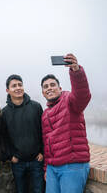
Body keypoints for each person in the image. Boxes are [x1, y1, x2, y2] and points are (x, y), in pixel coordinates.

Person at [41, 53, 91, 193]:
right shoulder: (45, 114)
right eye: (46, 87)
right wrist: (46, 168)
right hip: (52, 169)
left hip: (72, 166)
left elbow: (83, 95)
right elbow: (47, 143)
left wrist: (76, 71)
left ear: (60, 88)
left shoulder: (69, 100)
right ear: (43, 93)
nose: (49, 88)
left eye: (52, 85)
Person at [2, 74, 44, 193]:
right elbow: (3, 138)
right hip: (18, 162)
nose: (18, 88)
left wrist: (42, 151)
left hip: (37, 160)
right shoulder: (4, 113)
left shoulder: (35, 107)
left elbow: (44, 131)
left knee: (39, 190)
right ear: (8, 90)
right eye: (14, 86)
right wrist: (10, 156)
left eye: (20, 85)